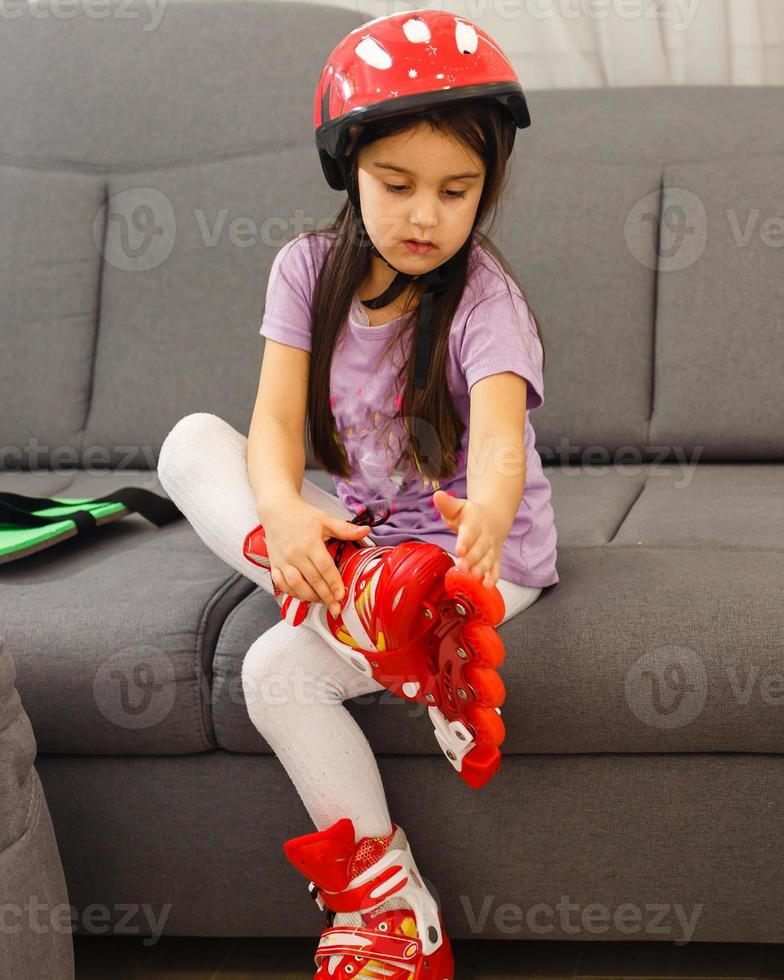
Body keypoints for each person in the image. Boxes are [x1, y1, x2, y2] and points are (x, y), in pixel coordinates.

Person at [155, 10, 555, 977]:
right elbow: (276, 430)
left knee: (272, 667)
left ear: (486, 190)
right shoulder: (305, 271)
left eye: (457, 192)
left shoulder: (486, 301)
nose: (426, 216)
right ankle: (347, 590)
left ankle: (404, 625)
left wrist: (488, 518)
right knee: (189, 445)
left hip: (473, 568)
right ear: (349, 169)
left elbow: (502, 439)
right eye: (397, 185)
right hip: (365, 561)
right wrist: (287, 516)